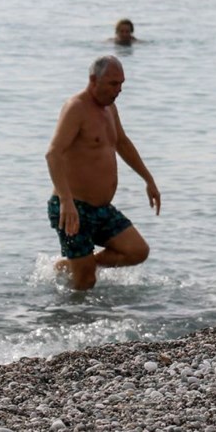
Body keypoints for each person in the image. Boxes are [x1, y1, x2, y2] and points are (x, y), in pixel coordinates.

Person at [44, 55, 160, 290]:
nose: (118, 90)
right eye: (113, 83)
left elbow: (123, 143)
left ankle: (74, 264)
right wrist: (66, 201)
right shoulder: (76, 108)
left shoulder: (110, 108)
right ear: (93, 80)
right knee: (86, 281)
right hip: (73, 208)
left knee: (137, 251)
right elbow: (53, 154)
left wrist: (149, 180)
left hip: (101, 209)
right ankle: (70, 319)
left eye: (121, 84)